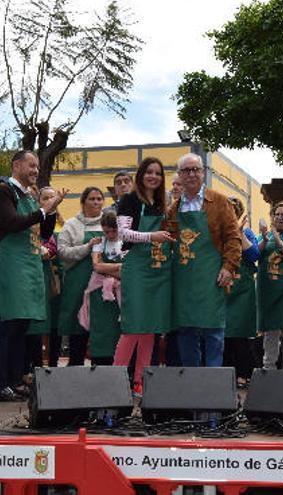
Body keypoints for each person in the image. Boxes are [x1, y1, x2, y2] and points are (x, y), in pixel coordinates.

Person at [0, 151, 63, 401]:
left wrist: (50, 212)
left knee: (22, 327)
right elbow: (11, 222)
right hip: (14, 265)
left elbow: (43, 233)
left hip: (31, 265)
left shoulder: (30, 196)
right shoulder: (3, 191)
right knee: (8, 325)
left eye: (37, 167)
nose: (35, 170)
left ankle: (15, 379)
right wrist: (43, 211)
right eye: (31, 166)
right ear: (16, 165)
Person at [166, 153, 241, 367]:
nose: (191, 174)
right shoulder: (173, 209)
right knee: (185, 330)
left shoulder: (219, 201)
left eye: (195, 169)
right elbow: (168, 241)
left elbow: (233, 237)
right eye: (186, 170)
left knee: (214, 330)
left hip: (212, 275)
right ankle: (192, 380)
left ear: (203, 172)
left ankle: (214, 383)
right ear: (179, 175)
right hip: (183, 277)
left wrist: (229, 267)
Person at [115, 157, 175, 394]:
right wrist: (152, 236)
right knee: (133, 326)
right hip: (137, 269)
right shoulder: (129, 199)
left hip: (158, 270)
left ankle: (141, 381)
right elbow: (123, 234)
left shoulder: (161, 204)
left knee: (151, 327)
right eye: (149, 172)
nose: (153, 176)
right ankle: (116, 379)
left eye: (158, 173)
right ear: (141, 175)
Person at [58, 187, 105, 365]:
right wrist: (86, 247)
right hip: (77, 283)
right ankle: (75, 365)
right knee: (77, 325)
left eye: (99, 199)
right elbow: (62, 252)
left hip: (103, 284)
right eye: (92, 199)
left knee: (101, 325)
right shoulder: (71, 225)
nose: (96, 202)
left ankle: (100, 367)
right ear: (83, 202)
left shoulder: (109, 222)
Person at [79, 211, 125, 365]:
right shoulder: (99, 242)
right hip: (100, 295)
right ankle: (98, 362)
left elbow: (128, 270)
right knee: (100, 329)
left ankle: (120, 362)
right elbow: (97, 266)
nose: (111, 234)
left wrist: (108, 269)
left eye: (114, 230)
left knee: (120, 330)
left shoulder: (126, 242)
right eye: (107, 231)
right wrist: (119, 266)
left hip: (120, 293)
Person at [223, 196, 260, 385]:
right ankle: (224, 373)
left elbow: (254, 254)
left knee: (240, 334)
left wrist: (239, 233)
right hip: (222, 288)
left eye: (235, 209)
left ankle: (243, 374)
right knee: (222, 333)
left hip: (242, 291)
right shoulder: (217, 232)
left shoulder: (248, 232)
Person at [257, 201, 283, 370]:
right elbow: (254, 255)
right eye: (277, 214)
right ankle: (268, 368)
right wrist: (266, 238)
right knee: (270, 332)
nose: (280, 217)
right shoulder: (263, 236)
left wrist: (276, 237)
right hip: (268, 292)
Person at [25, 187, 61, 373]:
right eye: (44, 198)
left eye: (52, 197)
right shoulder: (33, 220)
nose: (48, 200)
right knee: (32, 325)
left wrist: (48, 251)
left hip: (49, 278)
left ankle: (49, 365)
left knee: (49, 325)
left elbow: (54, 247)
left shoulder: (57, 224)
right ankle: (32, 365)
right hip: (30, 275)